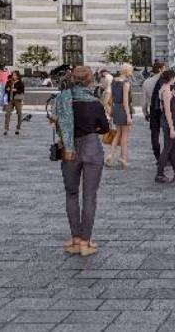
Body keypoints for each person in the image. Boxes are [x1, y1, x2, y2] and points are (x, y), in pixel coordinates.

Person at [51, 66, 113, 256]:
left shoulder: (62, 100)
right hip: (92, 148)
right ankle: (86, 242)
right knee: (89, 196)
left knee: (71, 194)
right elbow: (104, 129)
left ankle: (75, 239)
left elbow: (57, 123)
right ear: (88, 81)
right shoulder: (94, 103)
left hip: (69, 151)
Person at [151, 69, 175, 183]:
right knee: (168, 148)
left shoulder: (166, 88)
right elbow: (167, 111)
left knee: (173, 147)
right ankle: (159, 174)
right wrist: (171, 127)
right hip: (169, 122)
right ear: (172, 78)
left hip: (169, 121)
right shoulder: (166, 91)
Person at [109, 64, 135, 169]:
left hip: (116, 108)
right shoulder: (126, 83)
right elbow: (125, 102)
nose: (132, 72)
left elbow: (111, 98)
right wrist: (128, 116)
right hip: (124, 110)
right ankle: (123, 158)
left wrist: (111, 111)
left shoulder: (114, 81)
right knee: (124, 136)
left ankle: (110, 155)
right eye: (131, 70)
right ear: (127, 71)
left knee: (118, 133)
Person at [142, 63, 168, 162]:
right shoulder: (165, 80)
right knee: (167, 134)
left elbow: (144, 102)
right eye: (164, 69)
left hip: (153, 110)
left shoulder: (146, 82)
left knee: (154, 134)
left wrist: (145, 113)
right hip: (164, 110)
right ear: (160, 69)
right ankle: (167, 157)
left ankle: (158, 157)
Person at [3, 70, 28, 135]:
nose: (14, 76)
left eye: (15, 75)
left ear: (18, 76)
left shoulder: (20, 82)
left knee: (19, 113)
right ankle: (6, 129)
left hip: (18, 100)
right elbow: (5, 89)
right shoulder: (9, 81)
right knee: (7, 113)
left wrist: (16, 90)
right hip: (10, 100)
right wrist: (7, 89)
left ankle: (18, 128)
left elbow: (22, 91)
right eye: (13, 75)